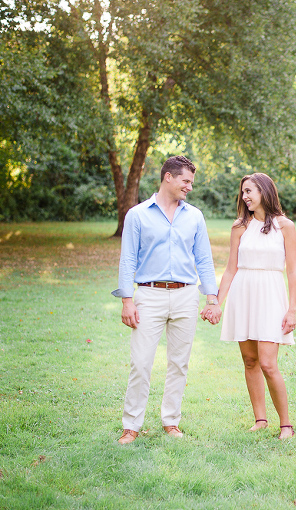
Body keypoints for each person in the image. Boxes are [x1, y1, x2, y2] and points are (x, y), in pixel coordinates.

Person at [113, 155, 221, 445]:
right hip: (149, 294)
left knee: (179, 364)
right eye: (186, 181)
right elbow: (127, 261)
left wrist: (212, 298)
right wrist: (127, 300)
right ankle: (131, 426)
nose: (189, 187)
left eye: (191, 182)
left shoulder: (195, 216)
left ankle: (171, 422)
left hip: (186, 295)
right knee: (141, 362)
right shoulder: (137, 215)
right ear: (168, 178)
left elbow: (204, 260)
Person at [210, 173, 296, 440]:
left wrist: (291, 309)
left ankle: (286, 425)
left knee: (269, 363)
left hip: (271, 294)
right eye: (243, 192)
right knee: (250, 361)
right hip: (243, 293)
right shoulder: (239, 226)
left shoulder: (285, 226)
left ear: (265, 191)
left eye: (249, 191)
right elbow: (230, 269)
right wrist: (216, 302)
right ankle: (260, 419)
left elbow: (292, 271)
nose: (245, 196)